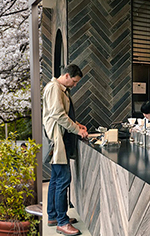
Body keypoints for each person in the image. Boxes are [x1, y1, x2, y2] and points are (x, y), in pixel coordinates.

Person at [42, 64, 88, 235]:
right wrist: (77, 130)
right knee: (63, 180)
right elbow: (59, 115)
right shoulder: (55, 88)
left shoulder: (59, 89)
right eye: (74, 81)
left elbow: (62, 115)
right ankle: (62, 222)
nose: (75, 85)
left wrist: (77, 124)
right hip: (57, 142)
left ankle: (54, 216)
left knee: (55, 180)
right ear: (67, 75)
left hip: (58, 140)